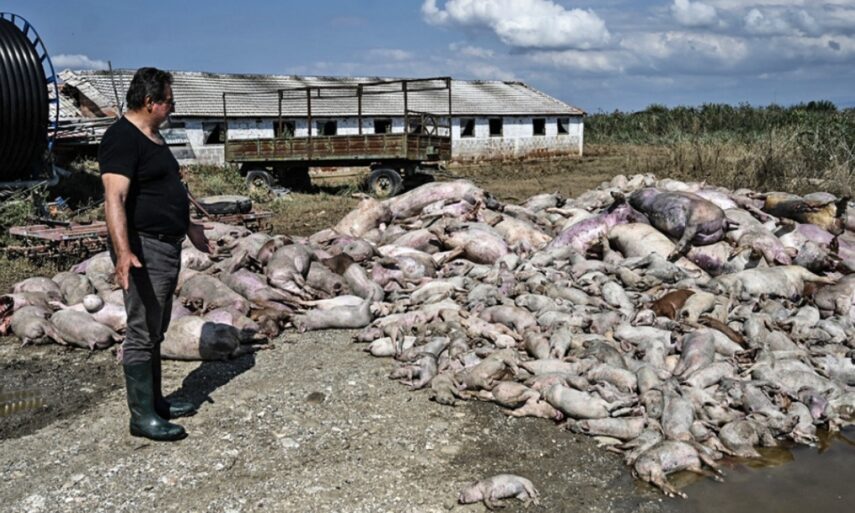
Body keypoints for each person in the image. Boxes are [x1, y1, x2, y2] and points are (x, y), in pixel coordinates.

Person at [99, 67, 213, 442]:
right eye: (169, 101)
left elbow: (167, 188)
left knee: (156, 329)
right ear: (150, 102)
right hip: (143, 247)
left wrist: (189, 225)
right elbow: (114, 199)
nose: (173, 107)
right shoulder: (122, 138)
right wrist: (123, 253)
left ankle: (157, 402)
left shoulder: (153, 136)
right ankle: (142, 416)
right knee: (141, 331)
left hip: (166, 244)